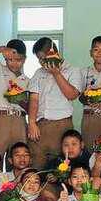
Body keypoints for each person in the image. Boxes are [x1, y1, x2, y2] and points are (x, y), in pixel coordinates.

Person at [27, 37, 84, 169]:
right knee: (36, 165)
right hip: (39, 126)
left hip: (61, 125)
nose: (41, 62)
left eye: (43, 58)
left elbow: (72, 95)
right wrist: (31, 122)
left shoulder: (72, 70)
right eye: (39, 59)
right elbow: (34, 99)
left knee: (60, 167)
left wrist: (56, 74)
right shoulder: (38, 73)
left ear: (53, 53)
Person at [0, 40, 29, 156]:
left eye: (18, 60)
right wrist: (3, 49)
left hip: (20, 121)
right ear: (5, 58)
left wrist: (20, 100)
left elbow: (31, 108)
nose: (14, 63)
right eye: (10, 59)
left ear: (24, 59)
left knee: (19, 159)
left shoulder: (28, 81)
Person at [79, 36, 101, 149]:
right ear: (90, 53)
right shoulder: (83, 72)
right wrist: (87, 96)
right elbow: (79, 97)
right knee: (89, 150)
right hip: (89, 116)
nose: (99, 53)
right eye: (96, 49)